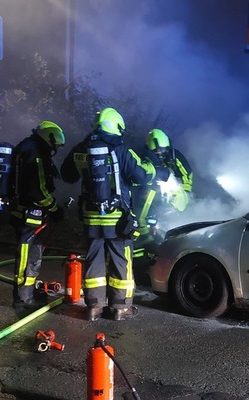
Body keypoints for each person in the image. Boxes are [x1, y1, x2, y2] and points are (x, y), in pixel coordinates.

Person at [60, 107, 170, 321]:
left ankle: (94, 307)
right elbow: (141, 173)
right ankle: (120, 308)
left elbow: (67, 175)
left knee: (94, 261)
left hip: (91, 218)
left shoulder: (82, 148)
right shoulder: (121, 149)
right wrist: (161, 172)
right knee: (121, 261)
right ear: (116, 126)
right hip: (117, 218)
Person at [8, 120, 66, 310]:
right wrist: (55, 208)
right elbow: (38, 190)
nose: (54, 148)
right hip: (30, 214)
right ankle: (24, 297)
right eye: (54, 144)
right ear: (48, 137)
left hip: (22, 211)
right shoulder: (36, 154)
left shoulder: (26, 147)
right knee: (29, 254)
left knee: (31, 252)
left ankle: (28, 293)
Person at [132, 128, 194, 259]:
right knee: (144, 220)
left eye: (164, 149)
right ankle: (145, 252)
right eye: (158, 151)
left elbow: (187, 174)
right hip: (151, 192)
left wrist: (185, 191)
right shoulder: (143, 156)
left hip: (174, 192)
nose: (161, 153)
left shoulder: (175, 156)